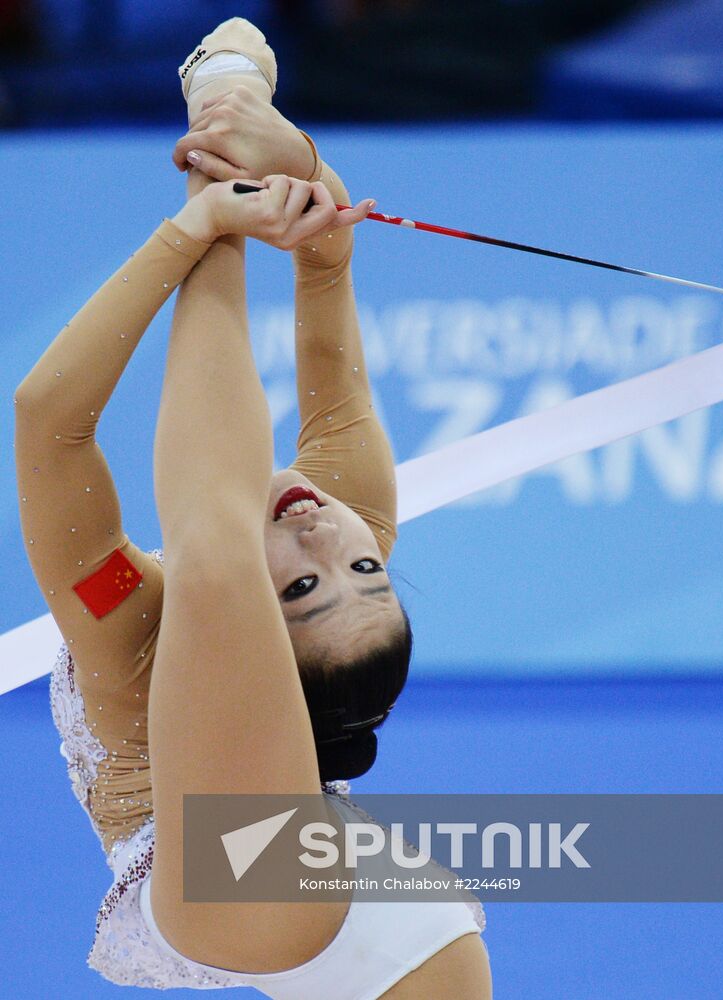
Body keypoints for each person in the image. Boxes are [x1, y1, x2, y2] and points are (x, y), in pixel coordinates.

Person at [15, 17, 491, 999]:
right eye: (368, 570)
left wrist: (201, 222)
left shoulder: (131, 627)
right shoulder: (323, 519)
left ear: (268, 656)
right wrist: (308, 207)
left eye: (308, 584)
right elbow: (331, 361)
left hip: (249, 887)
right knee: (227, 547)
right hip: (366, 897)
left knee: (218, 550)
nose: (330, 533)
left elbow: (48, 424)